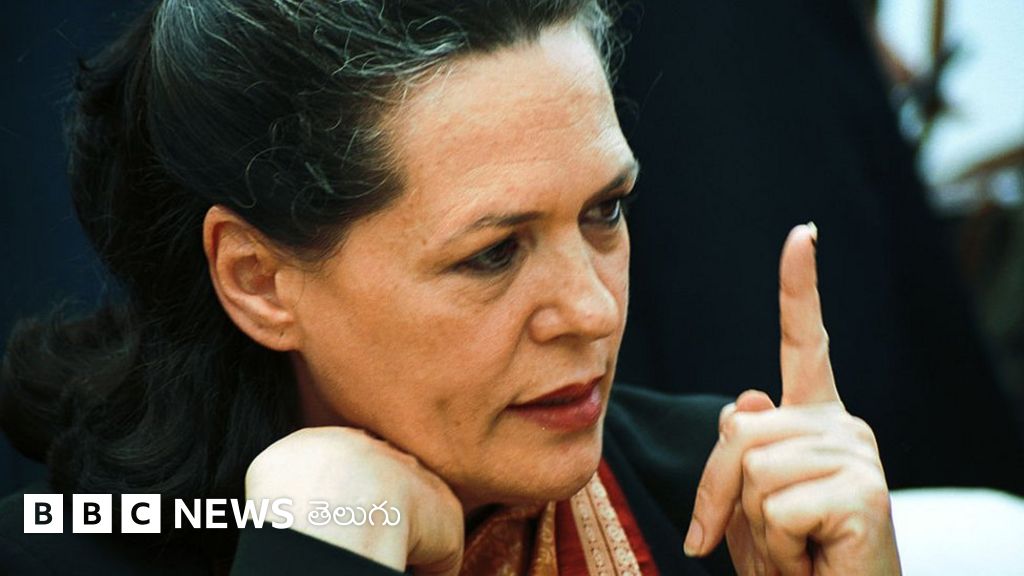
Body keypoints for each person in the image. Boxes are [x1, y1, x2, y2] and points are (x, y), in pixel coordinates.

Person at [0, 1, 900, 574]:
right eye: (494, 254)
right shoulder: (50, 551)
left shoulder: (730, 503)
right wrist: (319, 546)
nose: (592, 311)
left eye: (605, 211)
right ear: (258, 280)